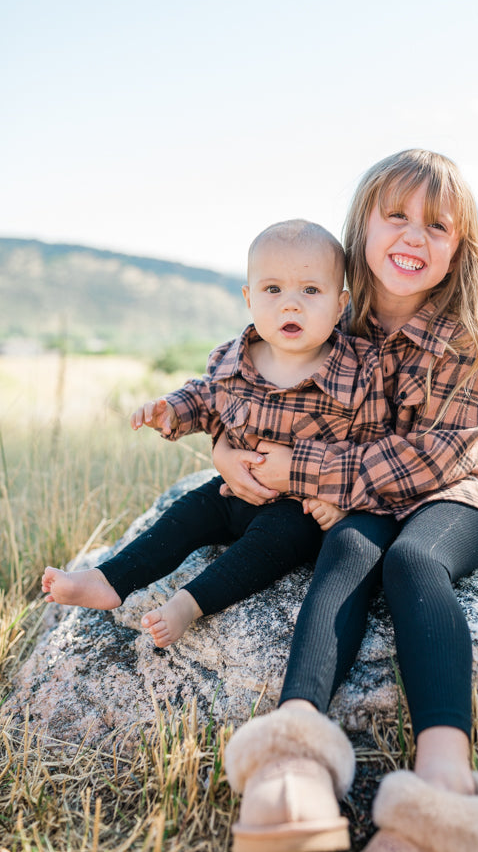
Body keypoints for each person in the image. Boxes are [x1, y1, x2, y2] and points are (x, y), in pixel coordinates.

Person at [217, 151, 478, 852]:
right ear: (361, 226)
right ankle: (294, 749)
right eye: (396, 216)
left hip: (454, 492)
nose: (413, 237)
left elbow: (426, 461)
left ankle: (445, 782)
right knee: (350, 546)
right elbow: (259, 392)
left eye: (437, 225)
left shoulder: (463, 339)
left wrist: (301, 470)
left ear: (459, 249)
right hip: (360, 498)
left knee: (413, 563)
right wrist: (222, 448)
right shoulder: (331, 317)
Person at [41, 219, 395, 649]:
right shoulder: (233, 359)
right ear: (249, 298)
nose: (290, 306)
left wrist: (337, 502)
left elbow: (371, 442)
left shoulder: (358, 370)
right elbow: (206, 398)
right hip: (234, 492)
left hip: (298, 510)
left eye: (310, 291)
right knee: (185, 514)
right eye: (272, 290)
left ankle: (189, 603)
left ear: (341, 306)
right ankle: (108, 580)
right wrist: (171, 411)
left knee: (274, 542)